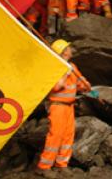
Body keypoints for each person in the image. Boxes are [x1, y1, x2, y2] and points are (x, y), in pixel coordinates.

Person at [37, 40, 92, 172]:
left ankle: (62, 164)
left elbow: (78, 85)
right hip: (57, 106)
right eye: (68, 47)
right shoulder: (55, 67)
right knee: (55, 135)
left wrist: (85, 86)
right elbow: (56, 87)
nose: (70, 49)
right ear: (63, 52)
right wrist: (65, 73)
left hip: (69, 106)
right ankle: (44, 167)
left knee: (68, 135)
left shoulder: (72, 66)